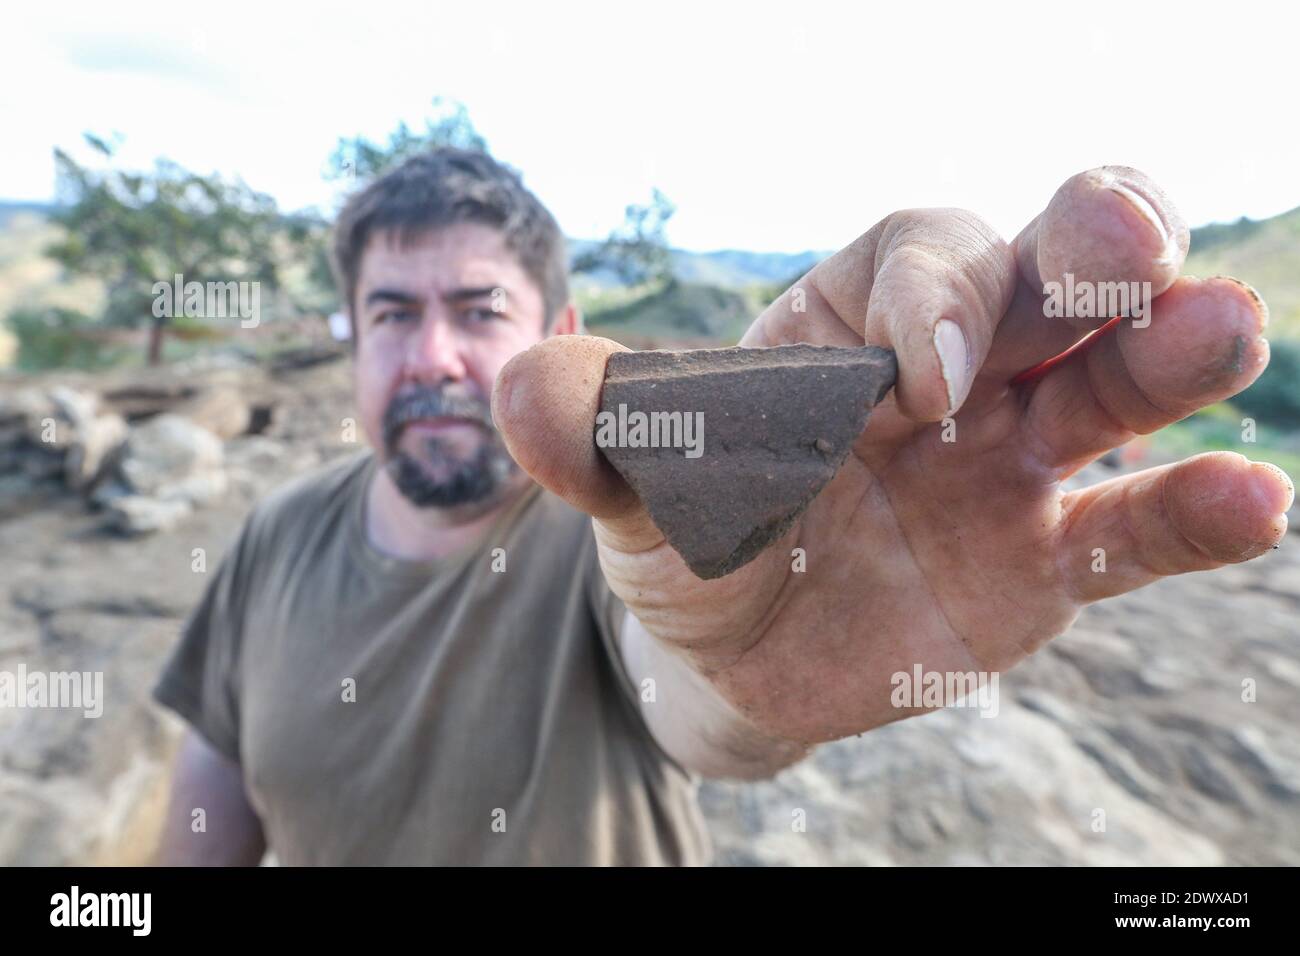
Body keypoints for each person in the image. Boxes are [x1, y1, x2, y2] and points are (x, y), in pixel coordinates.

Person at [152, 149, 1293, 865]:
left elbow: (697, 699)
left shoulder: (616, 542)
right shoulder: (276, 531)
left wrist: (767, 659)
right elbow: (211, 795)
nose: (435, 355)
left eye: (477, 308)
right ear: (353, 337)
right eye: (393, 312)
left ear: (562, 334)